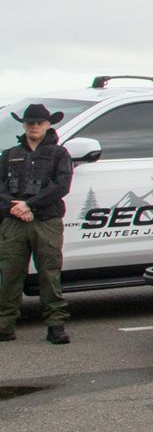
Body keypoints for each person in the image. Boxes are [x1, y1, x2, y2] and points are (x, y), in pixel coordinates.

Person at [0, 104, 75, 344]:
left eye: (39, 123)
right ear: (23, 125)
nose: (34, 126)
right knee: (9, 274)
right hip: (13, 222)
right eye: (29, 122)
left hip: (46, 221)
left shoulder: (59, 154)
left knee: (49, 273)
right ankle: (4, 325)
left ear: (48, 125)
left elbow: (61, 186)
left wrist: (30, 205)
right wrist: (14, 207)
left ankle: (56, 325)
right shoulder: (10, 154)